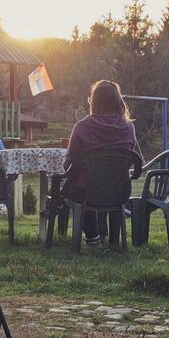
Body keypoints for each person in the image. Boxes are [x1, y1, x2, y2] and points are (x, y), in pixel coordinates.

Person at [60, 79, 142, 245]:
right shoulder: (128, 127)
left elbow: (68, 163)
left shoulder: (82, 127)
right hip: (120, 190)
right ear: (118, 101)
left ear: (94, 101)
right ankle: (113, 241)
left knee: (73, 189)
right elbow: (130, 157)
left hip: (86, 191)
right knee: (97, 189)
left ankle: (92, 237)